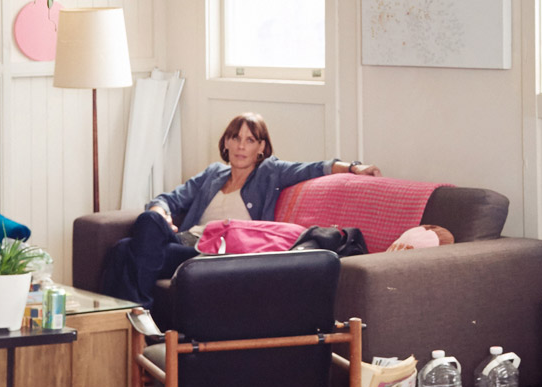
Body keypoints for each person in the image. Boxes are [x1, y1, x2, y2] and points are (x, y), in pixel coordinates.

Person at [96, 113, 379, 306]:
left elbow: (317, 167)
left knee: (125, 250)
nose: (241, 146)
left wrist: (354, 167)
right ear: (226, 142)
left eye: (250, 140)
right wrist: (160, 211)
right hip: (185, 244)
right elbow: (169, 198)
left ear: (261, 147)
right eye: (235, 138)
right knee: (142, 226)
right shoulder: (213, 175)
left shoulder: (270, 172)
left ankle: (131, 318)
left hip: (214, 256)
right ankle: (132, 320)